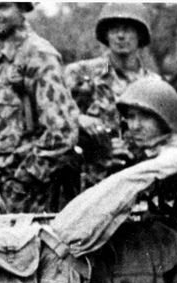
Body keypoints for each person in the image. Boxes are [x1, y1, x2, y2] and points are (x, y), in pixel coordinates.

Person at [0, 2, 79, 214]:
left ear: (22, 9)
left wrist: (24, 180)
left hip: (22, 195)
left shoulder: (38, 54)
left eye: (3, 6)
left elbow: (62, 132)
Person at [65, 3, 159, 188]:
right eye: (114, 29)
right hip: (89, 181)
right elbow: (52, 113)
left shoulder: (154, 84)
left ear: (140, 34)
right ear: (106, 35)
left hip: (139, 180)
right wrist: (79, 119)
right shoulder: (81, 73)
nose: (120, 36)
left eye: (128, 29)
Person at [115, 77, 177, 160]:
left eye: (145, 116)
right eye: (131, 116)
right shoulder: (150, 151)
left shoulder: (171, 157)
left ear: (164, 121)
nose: (135, 126)